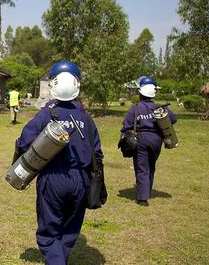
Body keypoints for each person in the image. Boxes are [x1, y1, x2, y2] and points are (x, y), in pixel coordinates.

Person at [16, 61, 104, 264]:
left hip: (53, 179)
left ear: (52, 84)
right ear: (77, 85)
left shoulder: (46, 114)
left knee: (49, 231)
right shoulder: (87, 119)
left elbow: (23, 143)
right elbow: (97, 153)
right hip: (81, 180)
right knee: (70, 229)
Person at [120, 76, 176, 207]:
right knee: (151, 166)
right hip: (157, 139)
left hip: (141, 139)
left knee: (141, 167)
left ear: (140, 92)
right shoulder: (159, 107)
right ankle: (147, 191)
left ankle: (142, 198)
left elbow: (126, 125)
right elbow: (173, 119)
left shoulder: (135, 107)